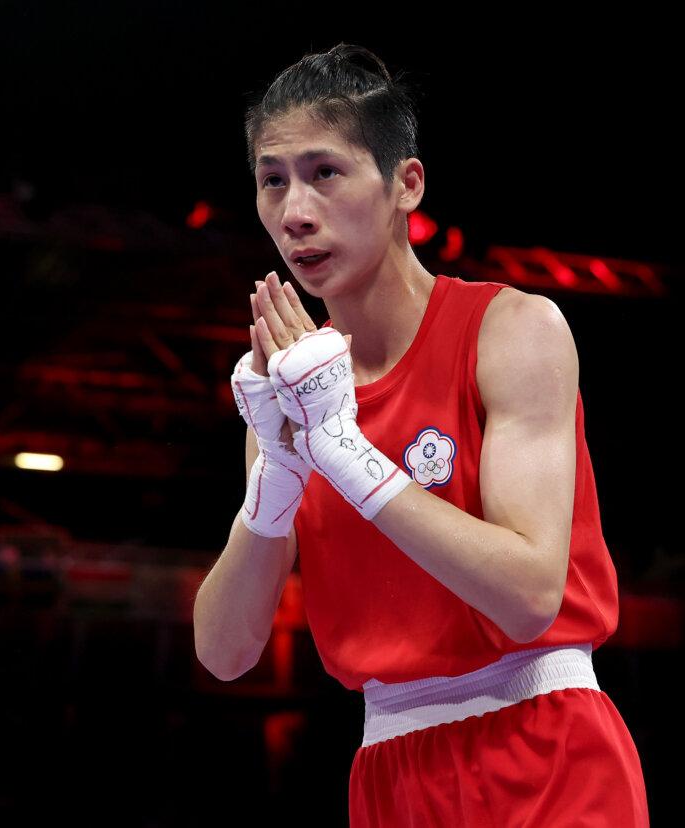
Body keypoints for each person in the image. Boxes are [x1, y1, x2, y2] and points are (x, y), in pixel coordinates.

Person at [193, 42, 649, 826]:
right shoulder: (295, 397)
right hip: (389, 773)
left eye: (325, 172)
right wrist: (276, 480)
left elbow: (531, 594)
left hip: (544, 749)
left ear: (407, 183)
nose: (295, 211)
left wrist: (345, 448)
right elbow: (225, 653)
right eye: (273, 180)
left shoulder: (512, 332)